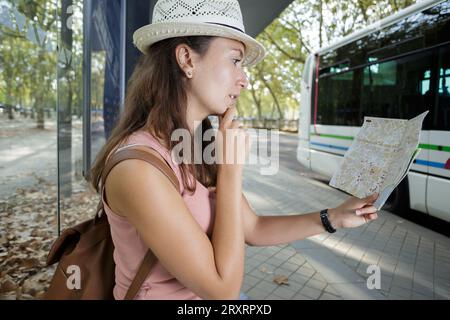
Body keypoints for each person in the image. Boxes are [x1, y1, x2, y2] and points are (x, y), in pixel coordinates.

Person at [90, 0, 379, 300]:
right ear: (187, 59)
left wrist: (333, 217)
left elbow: (252, 228)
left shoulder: (194, 146)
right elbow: (223, 290)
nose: (244, 80)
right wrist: (230, 169)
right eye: (235, 61)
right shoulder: (138, 169)